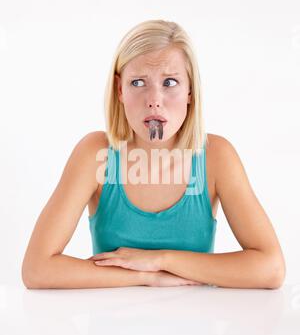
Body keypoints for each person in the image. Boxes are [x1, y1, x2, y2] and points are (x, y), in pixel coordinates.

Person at [21, 19, 286, 289]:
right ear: (120, 90)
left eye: (170, 82)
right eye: (138, 82)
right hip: (111, 326)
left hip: (196, 326)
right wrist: (145, 276)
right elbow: (37, 269)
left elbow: (271, 268)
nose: (154, 100)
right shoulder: (95, 153)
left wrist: (160, 260)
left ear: (190, 92)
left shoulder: (217, 157)